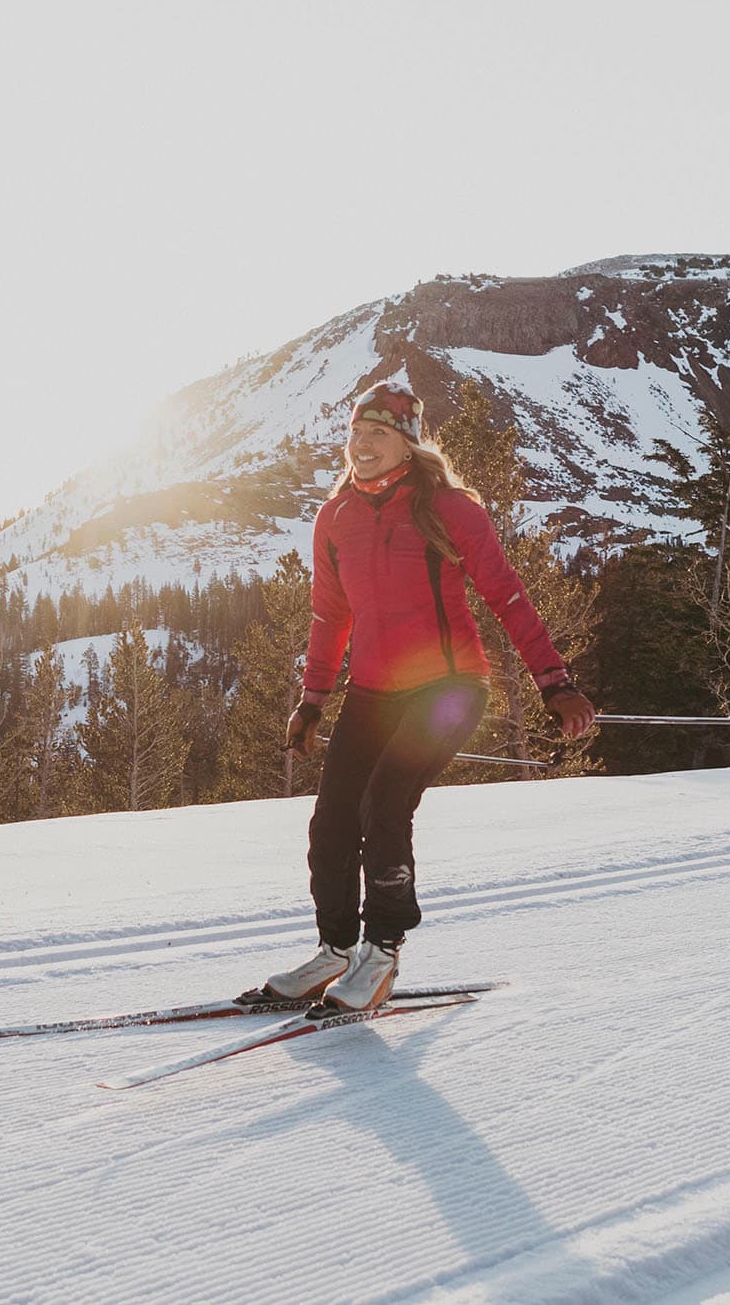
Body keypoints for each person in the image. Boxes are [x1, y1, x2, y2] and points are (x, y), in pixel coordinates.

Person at [245, 381, 596, 1014]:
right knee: (331, 821)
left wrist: (554, 681)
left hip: (450, 687)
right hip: (373, 691)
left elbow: (506, 594)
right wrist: (312, 700)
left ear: (408, 441)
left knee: (385, 805)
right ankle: (335, 951)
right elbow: (330, 618)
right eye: (355, 433)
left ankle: (382, 953)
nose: (362, 445)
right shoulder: (336, 517)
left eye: (377, 434)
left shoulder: (448, 507)